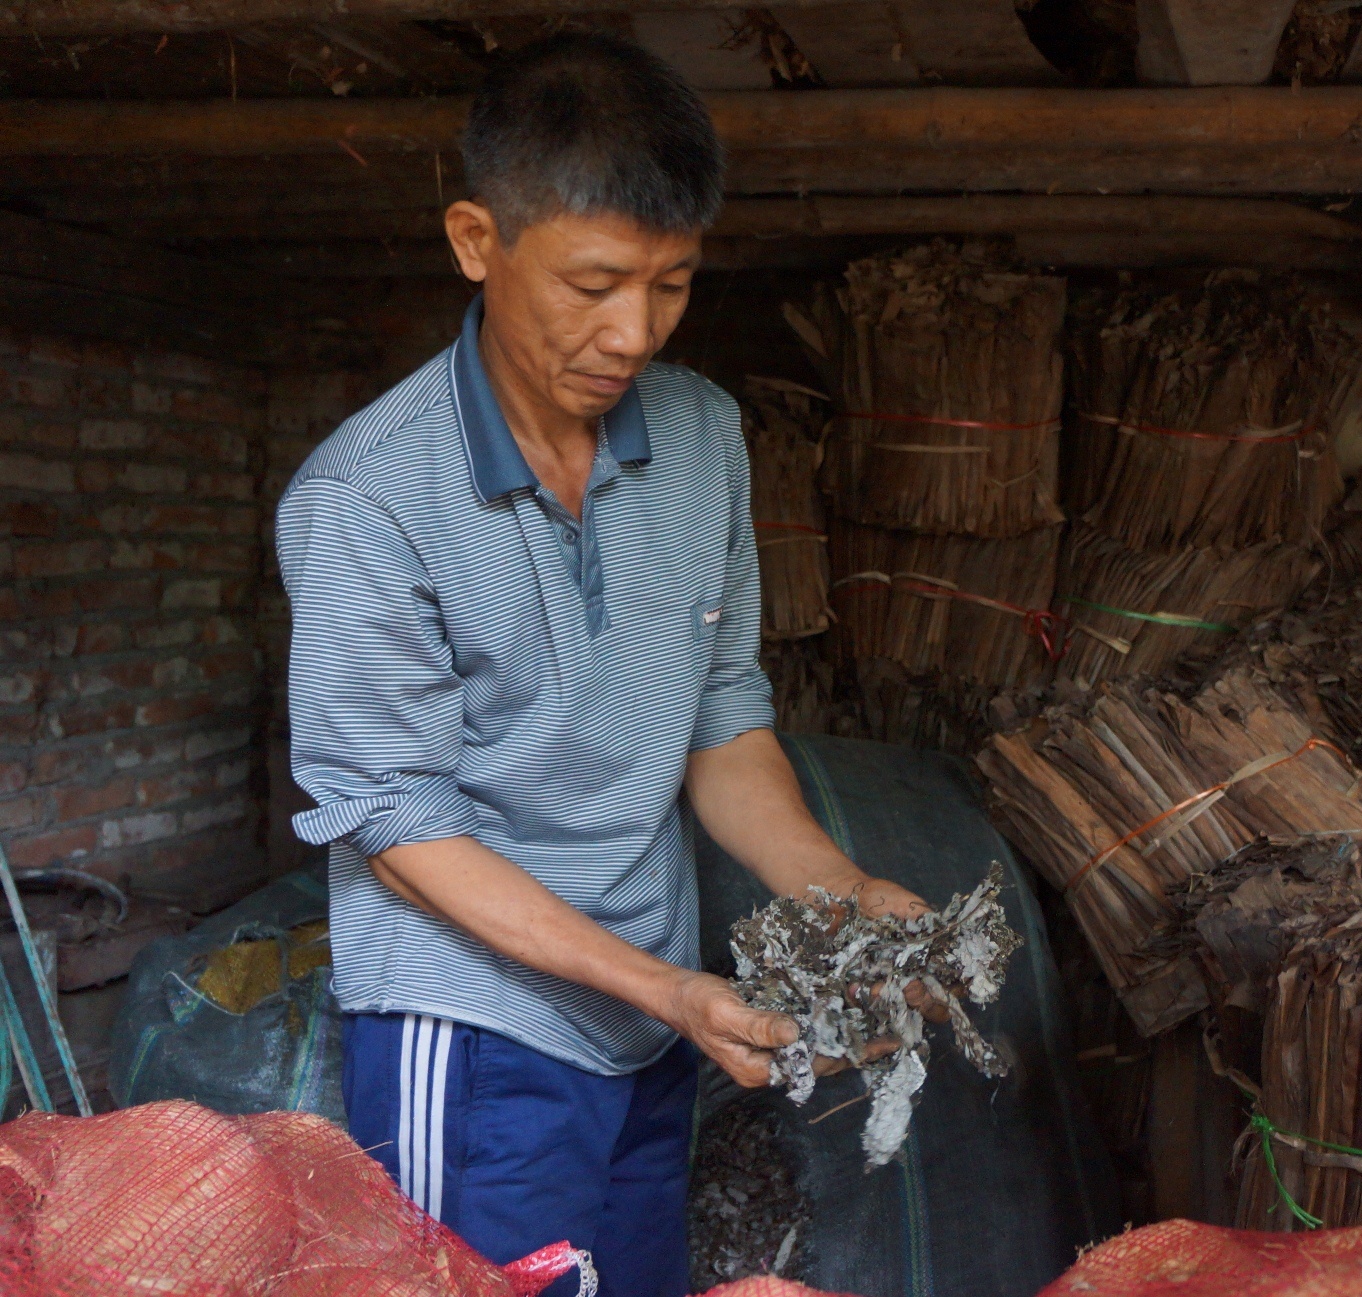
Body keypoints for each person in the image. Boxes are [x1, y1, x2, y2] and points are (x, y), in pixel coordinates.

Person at [275, 32, 929, 1297]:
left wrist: (841, 890)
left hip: (651, 1024)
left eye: (672, 284)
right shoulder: (366, 497)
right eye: (593, 283)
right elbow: (398, 826)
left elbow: (721, 717)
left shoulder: (702, 441)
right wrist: (668, 987)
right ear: (477, 240)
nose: (632, 331)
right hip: (472, 1025)